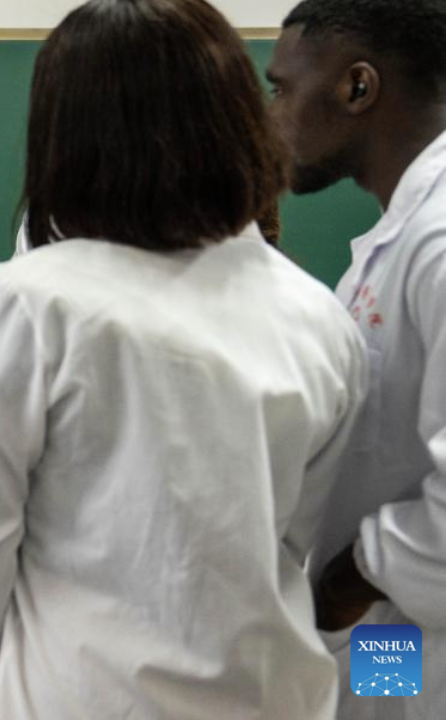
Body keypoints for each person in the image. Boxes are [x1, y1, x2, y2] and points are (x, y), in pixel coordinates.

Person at [0, 0, 369, 717]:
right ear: (237, 121)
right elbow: (300, 538)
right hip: (264, 690)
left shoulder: (31, 298)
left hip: (83, 692)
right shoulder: (317, 313)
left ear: (66, 135)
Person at [267, 0, 446, 715]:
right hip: (393, 636)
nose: (270, 118)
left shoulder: (438, 240)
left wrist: (352, 575)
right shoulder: (396, 240)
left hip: (413, 624)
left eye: (282, 89)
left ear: (357, 87)